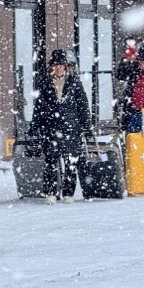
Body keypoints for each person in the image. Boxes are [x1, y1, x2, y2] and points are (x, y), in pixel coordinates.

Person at [32, 49, 92, 203]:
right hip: (50, 127)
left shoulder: (74, 82)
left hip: (71, 127)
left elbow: (82, 104)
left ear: (66, 66)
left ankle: (68, 193)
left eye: (61, 65)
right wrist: (35, 124)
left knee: (70, 162)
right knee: (50, 161)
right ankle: (51, 193)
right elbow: (38, 106)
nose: (58, 68)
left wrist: (86, 124)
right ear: (52, 66)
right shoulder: (44, 83)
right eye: (56, 65)